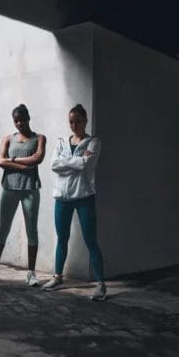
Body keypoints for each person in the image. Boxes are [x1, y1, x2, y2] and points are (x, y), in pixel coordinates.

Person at [42, 103, 107, 301]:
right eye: (71, 121)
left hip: (84, 196)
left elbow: (86, 164)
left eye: (78, 121)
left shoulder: (93, 142)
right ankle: (58, 277)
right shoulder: (62, 142)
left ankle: (101, 284)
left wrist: (67, 162)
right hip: (62, 196)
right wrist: (76, 162)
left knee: (90, 240)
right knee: (62, 238)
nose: (74, 125)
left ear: (85, 121)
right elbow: (54, 164)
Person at [0, 104, 47, 286]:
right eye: (16, 121)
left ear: (28, 118)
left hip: (30, 189)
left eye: (22, 119)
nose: (19, 123)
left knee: (32, 231)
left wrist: (11, 161)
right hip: (9, 188)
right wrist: (23, 165)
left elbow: (38, 159)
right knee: (3, 228)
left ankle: (31, 273)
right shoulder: (8, 139)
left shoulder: (40, 138)